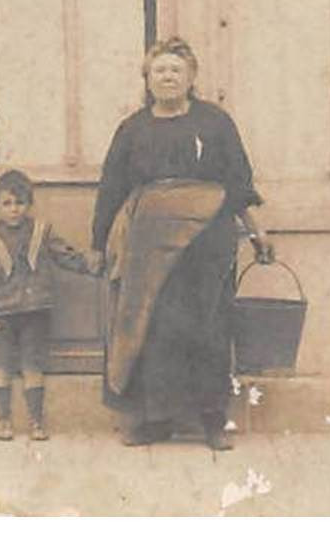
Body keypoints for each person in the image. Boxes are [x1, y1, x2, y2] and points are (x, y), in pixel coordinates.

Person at [90, 36, 275, 450]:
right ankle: (156, 422)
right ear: (147, 79)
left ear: (191, 77)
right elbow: (111, 188)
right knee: (152, 328)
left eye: (176, 69)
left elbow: (238, 183)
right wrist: (99, 242)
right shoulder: (132, 129)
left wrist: (257, 229)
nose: (168, 76)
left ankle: (212, 421)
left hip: (207, 244)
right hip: (148, 246)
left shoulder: (215, 124)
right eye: (160, 70)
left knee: (208, 328)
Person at [0, 168, 96, 441]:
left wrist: (92, 265)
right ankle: (3, 421)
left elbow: (65, 256)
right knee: (1, 366)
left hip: (35, 312)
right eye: (7, 203)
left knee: (32, 366)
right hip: (2, 315)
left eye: (20, 203)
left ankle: (36, 423)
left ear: (28, 204)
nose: (14, 209)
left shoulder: (41, 231)